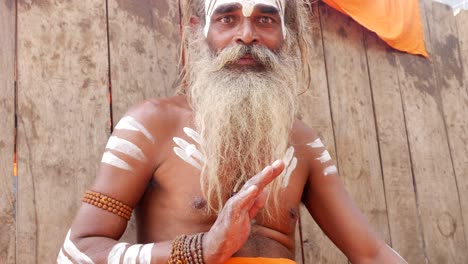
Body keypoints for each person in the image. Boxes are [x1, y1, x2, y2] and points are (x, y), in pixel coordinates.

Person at [57, 0, 407, 263]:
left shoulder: (303, 143)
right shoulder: (151, 124)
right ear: (198, 31)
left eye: (265, 20)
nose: (247, 35)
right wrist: (202, 249)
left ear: (286, 34)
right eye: (227, 19)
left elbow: (372, 254)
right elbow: (76, 253)